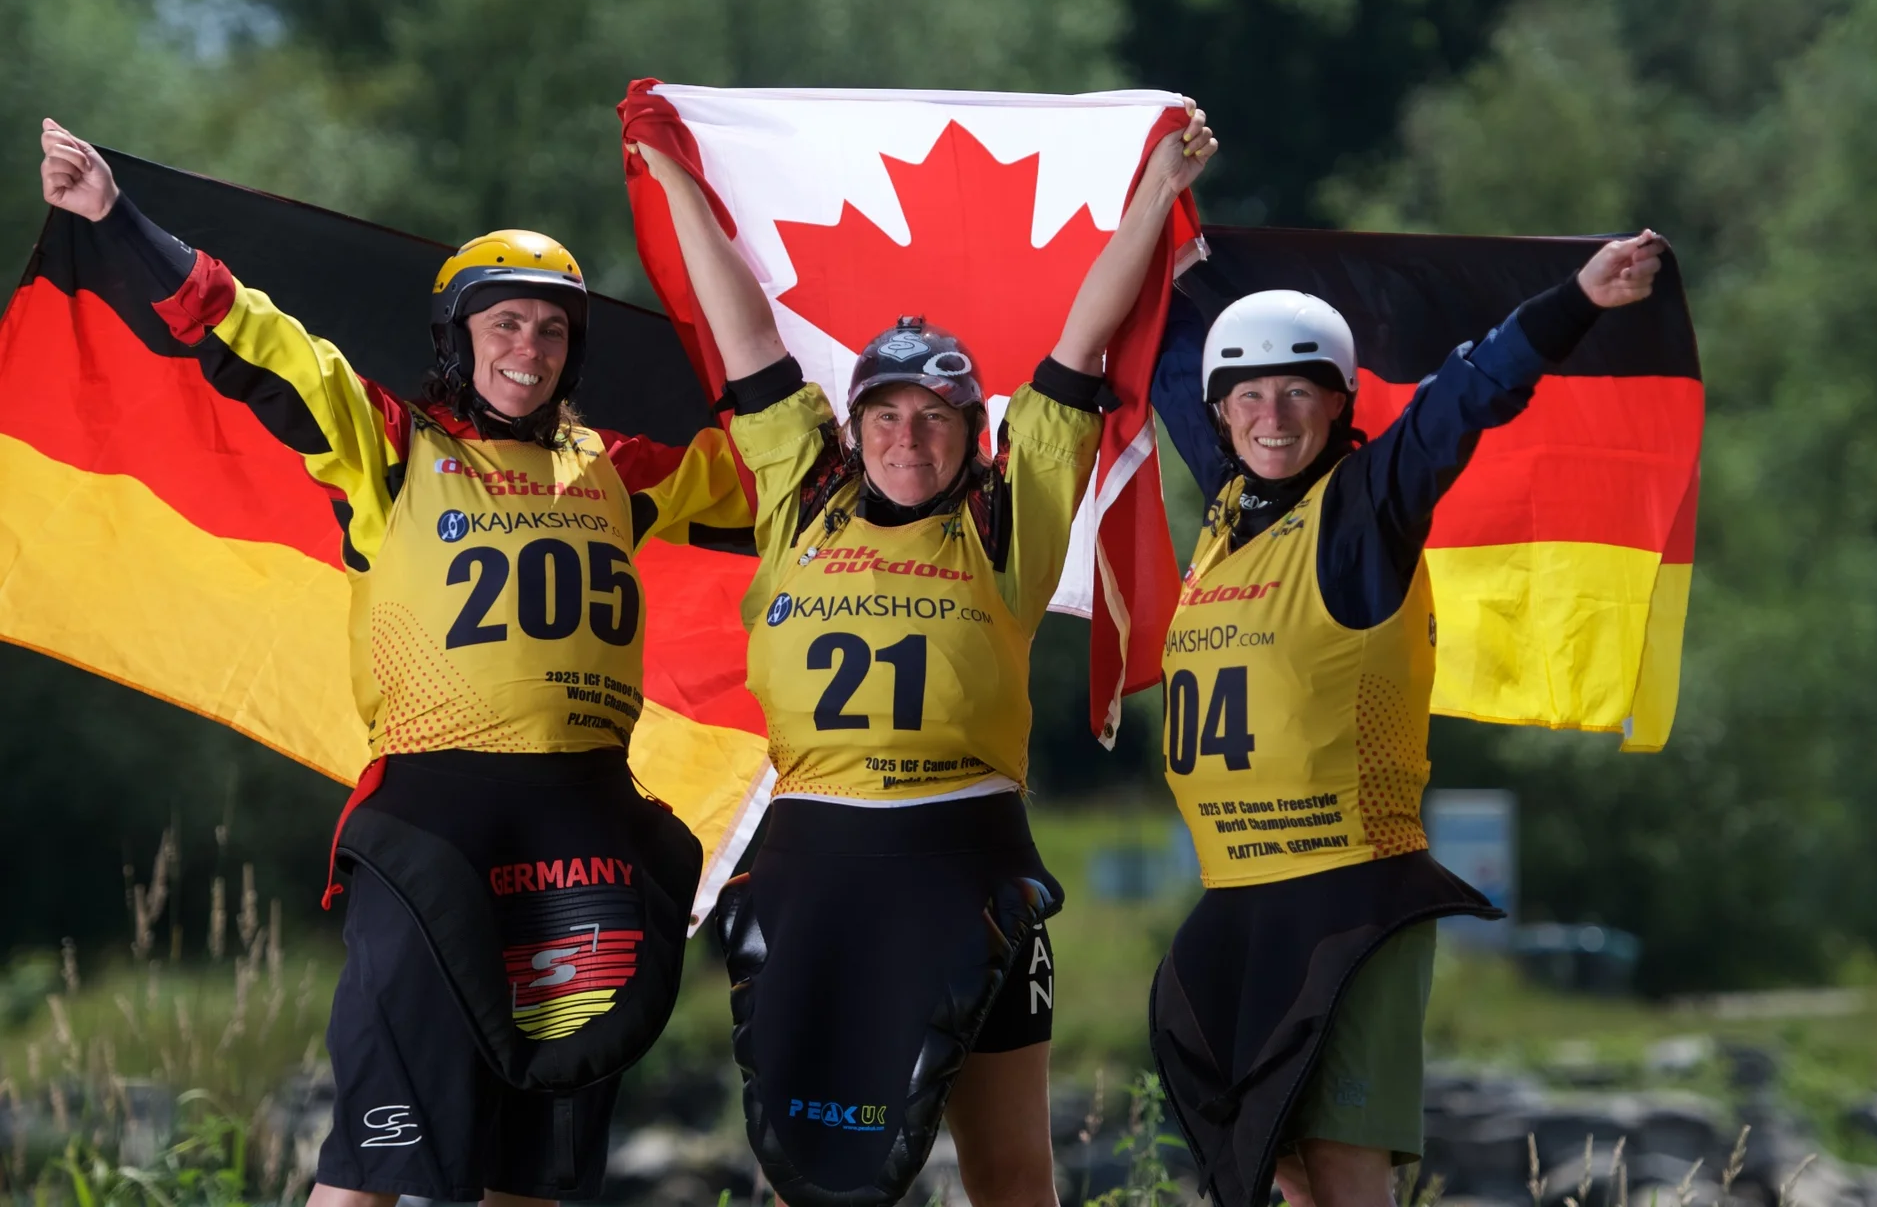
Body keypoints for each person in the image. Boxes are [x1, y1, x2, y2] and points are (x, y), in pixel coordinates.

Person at [39, 119, 752, 1205]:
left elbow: (783, 459)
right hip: (435, 822)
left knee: (541, 1167)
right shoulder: (393, 443)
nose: (529, 347)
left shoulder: (627, 469)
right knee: (373, 1161)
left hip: (587, 826)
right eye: (505, 322)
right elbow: (262, 340)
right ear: (457, 336)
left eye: (553, 329)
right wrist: (116, 218)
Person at [632, 104, 1216, 1207]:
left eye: (937, 416)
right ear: (851, 429)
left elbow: (1081, 345)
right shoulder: (800, 496)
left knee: (1009, 1169)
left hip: (969, 857)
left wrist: (1149, 199)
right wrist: (671, 177)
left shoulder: (1010, 517)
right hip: (818, 860)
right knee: (821, 1170)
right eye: (886, 415)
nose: (910, 436)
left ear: (974, 431)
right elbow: (749, 338)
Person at [1146, 232, 1668, 1207]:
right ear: (1219, 415)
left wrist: (1578, 300)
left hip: (1351, 895)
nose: (1273, 414)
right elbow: (1176, 358)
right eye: (1250, 395)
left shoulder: (1365, 506)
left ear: (1340, 404)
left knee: (1343, 1163)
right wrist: (1152, 221)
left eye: (1300, 391)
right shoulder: (1227, 504)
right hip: (1244, 897)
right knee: (1285, 1162)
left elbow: (1469, 396)